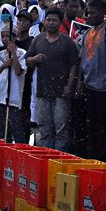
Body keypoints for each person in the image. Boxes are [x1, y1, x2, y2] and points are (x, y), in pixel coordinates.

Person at [26, 8, 78, 151]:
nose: (50, 23)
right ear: (44, 21)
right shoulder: (38, 39)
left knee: (61, 128)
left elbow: (74, 65)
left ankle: (60, 159)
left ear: (60, 22)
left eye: (54, 20)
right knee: (44, 128)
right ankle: (46, 158)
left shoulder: (68, 42)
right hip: (42, 91)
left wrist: (70, 86)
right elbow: (27, 61)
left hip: (62, 92)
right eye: (48, 20)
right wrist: (34, 59)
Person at [78, 0, 106, 161]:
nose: (89, 16)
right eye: (88, 12)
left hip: (104, 85)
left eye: (93, 13)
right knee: (91, 123)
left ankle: (104, 157)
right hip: (89, 85)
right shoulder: (88, 33)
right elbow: (82, 60)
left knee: (104, 124)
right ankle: (92, 156)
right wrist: (81, 81)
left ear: (103, 14)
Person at [0, 24, 28, 142]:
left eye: (7, 36)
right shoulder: (1, 54)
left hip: (14, 96)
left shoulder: (22, 53)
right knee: (0, 129)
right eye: (3, 36)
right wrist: (4, 65)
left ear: (14, 37)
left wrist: (14, 54)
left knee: (17, 129)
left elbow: (18, 71)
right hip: (1, 94)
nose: (5, 39)